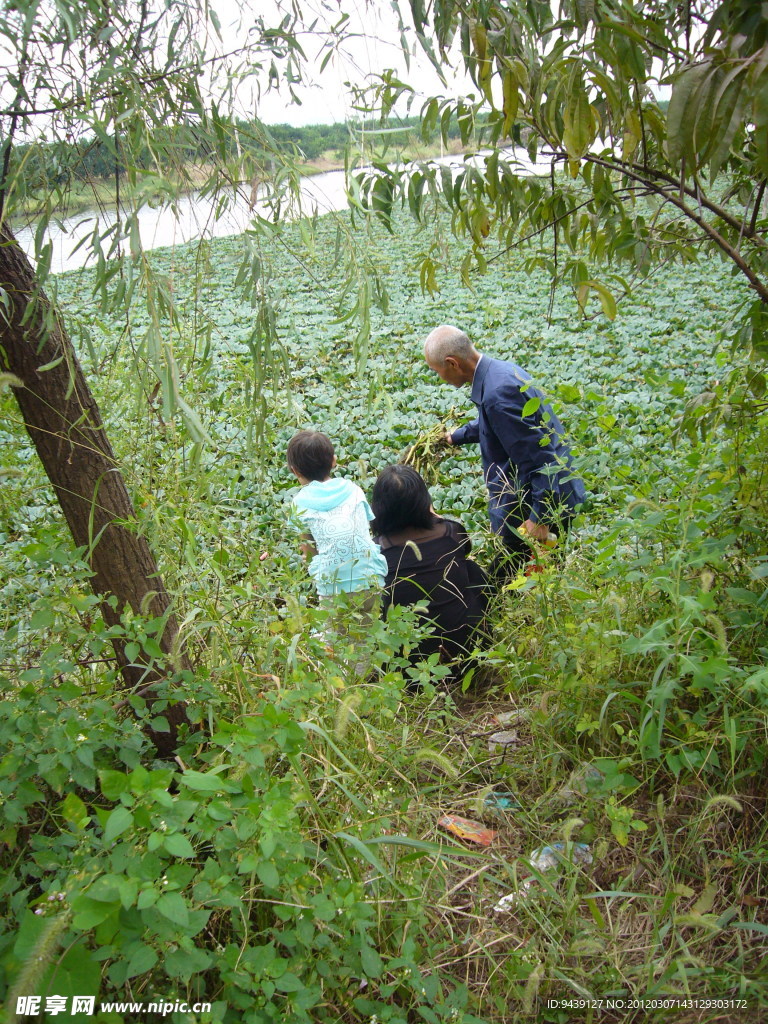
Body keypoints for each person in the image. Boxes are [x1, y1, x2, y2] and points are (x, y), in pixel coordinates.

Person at [423, 325, 586, 572]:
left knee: (515, 574)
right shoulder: (500, 372)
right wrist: (455, 437)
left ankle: (489, 606)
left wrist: (540, 518)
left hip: (539, 502)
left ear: (452, 363)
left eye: (437, 371)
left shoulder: (498, 395)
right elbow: (495, 424)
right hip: (544, 495)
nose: (440, 378)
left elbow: (540, 460)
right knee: (534, 573)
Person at [370, 464, 488, 665]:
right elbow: (465, 550)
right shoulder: (452, 532)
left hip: (409, 663)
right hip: (468, 652)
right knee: (471, 569)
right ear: (424, 500)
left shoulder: (375, 551)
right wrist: (435, 517)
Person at [287, 430, 387, 607]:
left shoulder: (299, 502)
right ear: (334, 460)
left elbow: (308, 552)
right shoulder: (354, 489)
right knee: (370, 630)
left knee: (336, 633)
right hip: (370, 577)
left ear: (295, 471)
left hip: (332, 586)